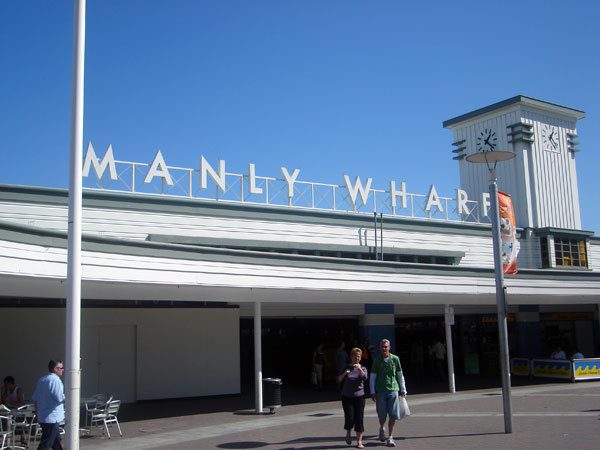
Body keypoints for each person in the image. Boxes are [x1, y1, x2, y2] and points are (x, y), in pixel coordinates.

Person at [370, 339, 407, 448]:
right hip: (380, 391)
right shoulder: (377, 361)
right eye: (382, 346)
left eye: (386, 346)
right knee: (382, 415)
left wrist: (403, 389)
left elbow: (399, 374)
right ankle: (382, 427)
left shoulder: (395, 359)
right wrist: (372, 391)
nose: (384, 348)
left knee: (393, 415)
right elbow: (373, 377)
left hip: (393, 390)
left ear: (389, 347)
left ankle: (390, 437)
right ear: (380, 348)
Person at [336, 347, 368, 449]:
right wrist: (345, 373)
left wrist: (359, 369)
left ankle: (359, 441)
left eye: (358, 356)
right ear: (351, 357)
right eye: (355, 356)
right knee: (349, 417)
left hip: (359, 397)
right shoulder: (346, 367)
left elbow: (365, 377)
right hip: (347, 397)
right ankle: (348, 433)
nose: (356, 358)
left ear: (360, 358)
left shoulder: (363, 368)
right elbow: (338, 380)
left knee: (359, 418)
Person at [32, 360, 65, 450]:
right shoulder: (55, 380)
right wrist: (66, 396)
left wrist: (37, 413)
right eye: (62, 368)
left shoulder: (42, 379)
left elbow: (35, 398)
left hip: (43, 416)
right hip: (52, 418)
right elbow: (59, 398)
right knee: (46, 443)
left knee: (56, 442)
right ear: (56, 369)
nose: (63, 370)